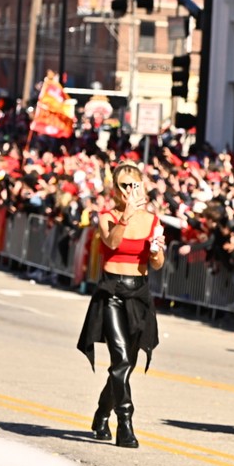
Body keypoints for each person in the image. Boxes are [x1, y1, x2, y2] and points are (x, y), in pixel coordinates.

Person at [76, 163, 164, 449]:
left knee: (125, 365)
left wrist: (156, 251)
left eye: (133, 185)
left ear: (141, 185)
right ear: (115, 189)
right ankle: (125, 423)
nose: (128, 190)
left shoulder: (152, 220)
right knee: (121, 359)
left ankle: (101, 414)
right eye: (123, 186)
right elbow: (112, 243)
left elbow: (157, 263)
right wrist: (125, 217)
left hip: (138, 293)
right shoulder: (106, 217)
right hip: (112, 292)